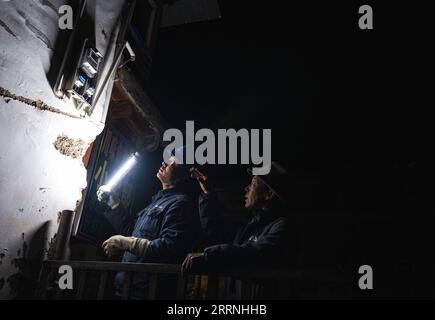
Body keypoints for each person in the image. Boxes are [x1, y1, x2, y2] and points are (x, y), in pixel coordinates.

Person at [97, 154, 198, 299]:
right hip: (125, 287)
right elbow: (130, 232)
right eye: (166, 161)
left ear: (182, 175)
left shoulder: (181, 204)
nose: (164, 164)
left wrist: (125, 242)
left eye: (172, 164)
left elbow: (169, 247)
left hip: (146, 292)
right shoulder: (155, 203)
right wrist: (114, 204)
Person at [182, 162, 296, 274]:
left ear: (269, 194)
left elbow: (257, 253)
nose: (246, 189)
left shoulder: (282, 226)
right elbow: (216, 231)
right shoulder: (252, 223)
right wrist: (208, 194)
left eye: (253, 184)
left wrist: (210, 254)